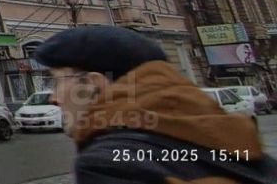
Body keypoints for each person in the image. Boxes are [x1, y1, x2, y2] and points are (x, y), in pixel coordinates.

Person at [32, 25, 277, 183]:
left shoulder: (107, 165)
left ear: (94, 85)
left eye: (57, 82)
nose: (54, 98)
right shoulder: (226, 139)